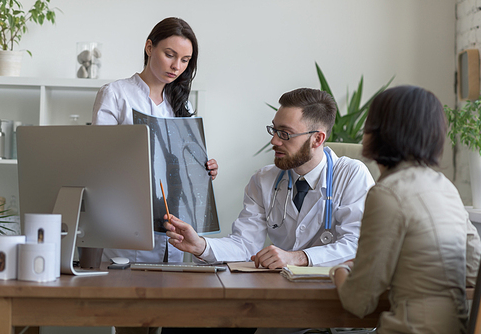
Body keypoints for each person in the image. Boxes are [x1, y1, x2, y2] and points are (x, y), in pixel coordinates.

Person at [165, 87, 374, 270]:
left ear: (317, 138)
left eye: (285, 133)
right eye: (274, 130)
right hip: (279, 289)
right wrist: (200, 245)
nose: (274, 140)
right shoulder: (263, 179)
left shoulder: (351, 175)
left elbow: (357, 244)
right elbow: (245, 244)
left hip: (332, 292)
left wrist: (298, 257)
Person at [330, 85, 481, 334]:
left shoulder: (387, 193)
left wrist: (340, 269)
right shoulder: (445, 188)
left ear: (380, 131)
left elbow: (358, 301)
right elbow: (474, 270)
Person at [92, 17, 218, 266]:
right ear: (150, 47)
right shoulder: (116, 94)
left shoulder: (182, 104)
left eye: (185, 60)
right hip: (127, 225)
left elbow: (186, 164)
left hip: (173, 230)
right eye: (170, 54)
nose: (176, 66)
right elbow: (99, 160)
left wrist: (205, 169)